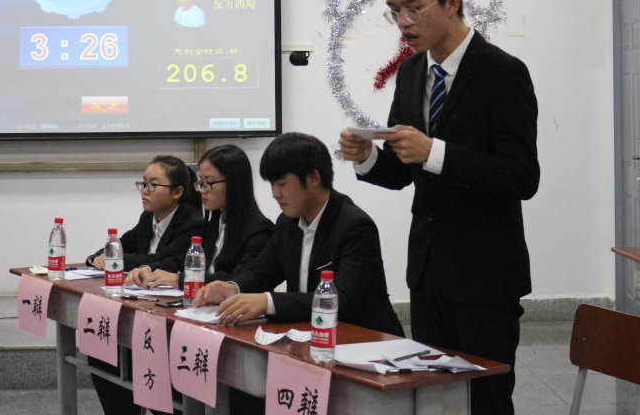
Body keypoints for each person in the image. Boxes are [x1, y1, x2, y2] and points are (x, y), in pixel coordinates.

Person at [338, 0, 539, 415]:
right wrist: (366, 157)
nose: (404, 22)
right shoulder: (411, 73)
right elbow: (401, 173)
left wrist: (437, 153)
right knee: (431, 399)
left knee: (485, 402)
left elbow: (521, 176)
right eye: (394, 11)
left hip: (486, 277)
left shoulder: (503, 73)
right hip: (428, 273)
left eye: (414, 8)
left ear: (452, 2)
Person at [194, 132, 403, 338]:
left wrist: (268, 302)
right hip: (310, 335)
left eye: (282, 184)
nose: (275, 194)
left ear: (313, 178)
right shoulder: (288, 223)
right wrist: (231, 288)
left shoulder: (354, 226)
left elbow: (342, 300)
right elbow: (261, 273)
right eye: (272, 184)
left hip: (365, 340)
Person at [85, 155, 203, 415]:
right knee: (101, 349)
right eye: (143, 183)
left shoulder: (193, 222)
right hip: (143, 306)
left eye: (153, 184)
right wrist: (97, 257)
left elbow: (164, 260)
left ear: (177, 192)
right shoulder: (147, 218)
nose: (145, 191)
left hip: (174, 315)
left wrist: (115, 259)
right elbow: (118, 245)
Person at [129, 144, 274, 290]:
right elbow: (182, 260)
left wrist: (180, 279)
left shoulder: (259, 231)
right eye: (201, 183)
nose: (202, 190)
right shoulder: (213, 224)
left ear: (234, 183)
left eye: (209, 183)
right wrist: (149, 269)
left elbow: (239, 280)